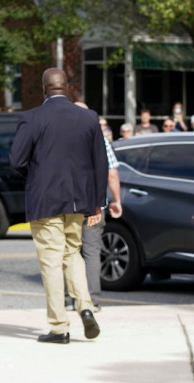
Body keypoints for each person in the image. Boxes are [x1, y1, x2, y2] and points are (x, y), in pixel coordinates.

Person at [9, 68, 107, 344]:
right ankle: (85, 306)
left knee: (51, 261)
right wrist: (98, 203)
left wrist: (37, 176)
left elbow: (16, 160)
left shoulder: (32, 118)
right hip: (78, 200)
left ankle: (58, 327)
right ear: (67, 87)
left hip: (45, 199)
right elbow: (100, 161)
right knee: (72, 253)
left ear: (44, 89)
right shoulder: (88, 117)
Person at [64, 101, 123, 313]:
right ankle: (91, 301)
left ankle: (69, 299)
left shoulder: (63, 137)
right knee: (91, 251)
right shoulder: (98, 138)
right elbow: (112, 172)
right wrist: (116, 200)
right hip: (92, 204)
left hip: (67, 204)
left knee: (69, 250)